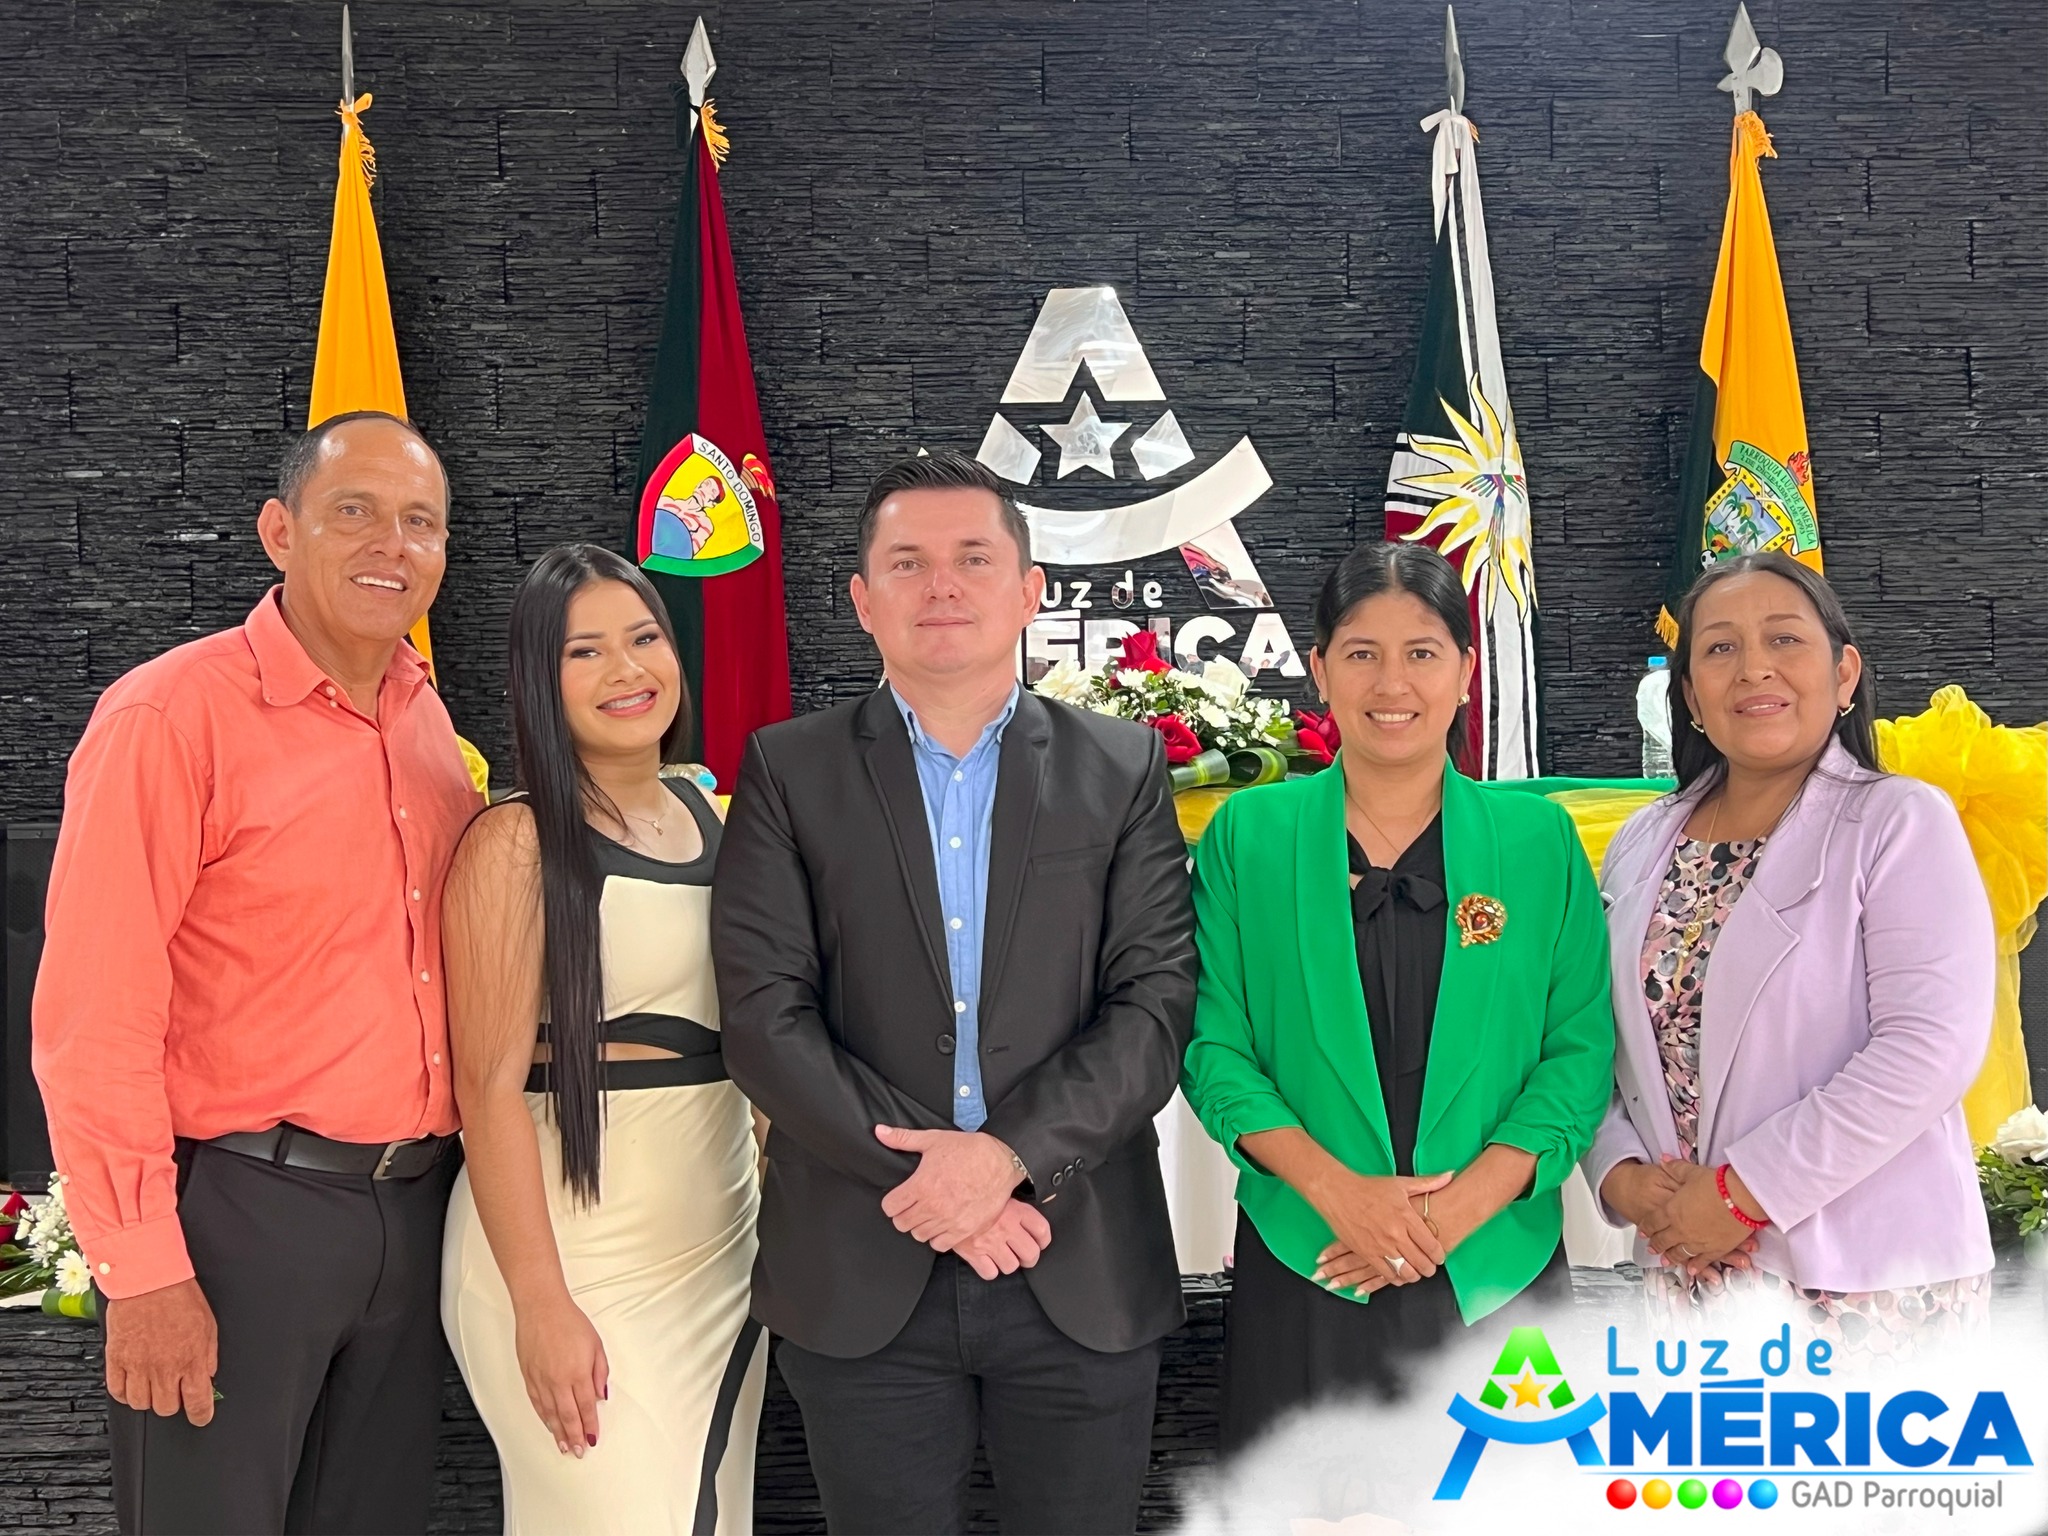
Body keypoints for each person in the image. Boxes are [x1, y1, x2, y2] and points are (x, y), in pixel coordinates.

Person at [712, 451, 1196, 1535]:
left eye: (973, 558)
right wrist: (936, 1183)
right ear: (862, 599)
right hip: (860, 1261)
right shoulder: (787, 770)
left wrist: (1005, 1160)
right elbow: (764, 1018)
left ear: (1029, 590)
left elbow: (1153, 1006)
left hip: (1077, 1258)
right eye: (908, 562)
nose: (941, 586)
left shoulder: (1120, 767)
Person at [32, 411, 479, 1533]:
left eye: (419, 522)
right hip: (243, 1219)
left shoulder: (427, 724)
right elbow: (92, 1012)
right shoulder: (169, 716)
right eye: (354, 511)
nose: (390, 544)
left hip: (416, 1212)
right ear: (280, 531)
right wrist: (142, 1269)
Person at [1181, 542, 1615, 1455]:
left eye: (1422, 652)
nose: (1393, 683)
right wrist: (1337, 1191)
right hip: (1312, 1250)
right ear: (1318, 670)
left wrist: (1455, 1212)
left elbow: (1578, 1054)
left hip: (1493, 1257)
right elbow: (1214, 1046)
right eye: (1361, 653)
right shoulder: (1249, 835)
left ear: (1466, 670)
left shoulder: (1537, 840)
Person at [1587, 552, 1996, 1360]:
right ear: (1690, 696)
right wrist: (1623, 1177)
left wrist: (1742, 1194)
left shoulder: (1899, 821)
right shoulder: (1641, 839)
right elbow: (1593, 1036)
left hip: (1868, 1284)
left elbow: (1928, 1048)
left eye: (1784, 639)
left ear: (1844, 674)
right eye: (1720, 648)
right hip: (1689, 1268)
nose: (1754, 669)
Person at [440, 544, 765, 1534]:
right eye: (585, 652)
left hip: (720, 1251)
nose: (626, 670)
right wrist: (540, 1304)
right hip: (573, 1264)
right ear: (538, 679)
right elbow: (486, 1089)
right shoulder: (515, 844)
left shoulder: (717, 813)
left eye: (643, 638)